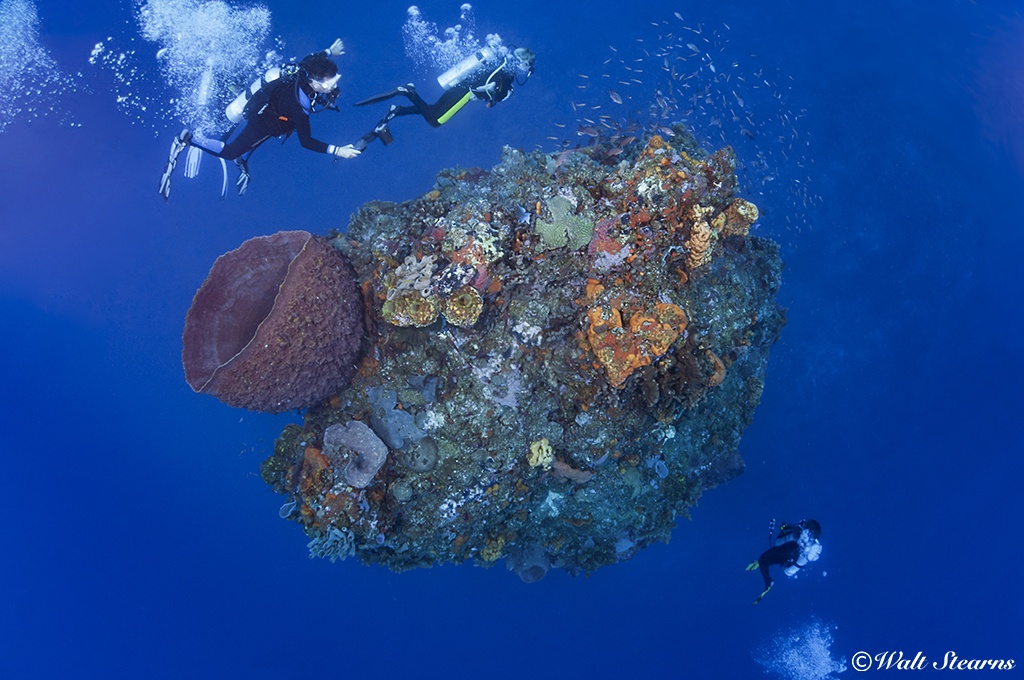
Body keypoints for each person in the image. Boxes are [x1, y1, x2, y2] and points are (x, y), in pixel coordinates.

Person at [159, 39, 361, 200]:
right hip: (264, 122)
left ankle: (242, 157)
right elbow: (306, 142)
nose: (333, 87)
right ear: (315, 83)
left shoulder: (304, 69)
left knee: (258, 140)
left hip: (271, 112)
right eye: (330, 84)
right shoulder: (300, 107)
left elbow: (310, 58)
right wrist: (338, 150)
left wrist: (329, 51)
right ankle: (187, 139)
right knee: (230, 152)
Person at [352, 45, 536, 149]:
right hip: (465, 93)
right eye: (527, 66)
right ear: (523, 62)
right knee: (436, 120)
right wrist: (507, 93)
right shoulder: (508, 72)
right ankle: (409, 92)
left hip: (460, 86)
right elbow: (497, 94)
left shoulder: (500, 61)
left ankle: (398, 111)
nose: (525, 69)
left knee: (431, 110)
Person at [746, 518, 822, 604]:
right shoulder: (804, 537)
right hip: (794, 556)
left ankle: (768, 581)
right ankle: (804, 558)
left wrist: (784, 531)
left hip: (786, 554)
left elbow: (777, 544)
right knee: (787, 571)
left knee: (763, 559)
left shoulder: (796, 533)